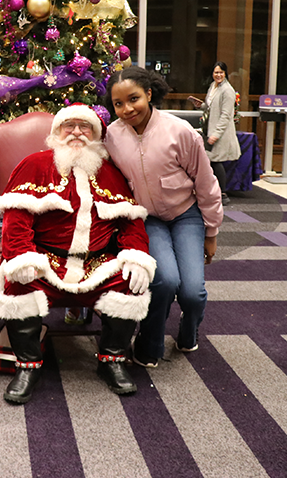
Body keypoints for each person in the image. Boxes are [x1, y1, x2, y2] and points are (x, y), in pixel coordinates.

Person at [0, 104, 157, 404]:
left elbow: (131, 223)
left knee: (129, 281)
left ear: (96, 135)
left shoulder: (110, 172)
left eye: (85, 127)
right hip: (46, 260)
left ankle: (112, 361)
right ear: (56, 132)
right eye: (69, 126)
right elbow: (16, 222)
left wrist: (136, 256)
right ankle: (27, 366)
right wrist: (22, 256)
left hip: (98, 262)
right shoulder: (34, 165)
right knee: (18, 282)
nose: (77, 133)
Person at [106, 67, 223, 369]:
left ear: (149, 94)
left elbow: (206, 183)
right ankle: (148, 344)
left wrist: (211, 232)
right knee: (165, 281)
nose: (127, 109)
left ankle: (189, 329)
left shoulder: (179, 131)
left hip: (186, 215)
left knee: (192, 292)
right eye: (118, 103)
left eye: (133, 99)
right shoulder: (113, 135)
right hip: (147, 219)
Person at [189, 61, 240, 205]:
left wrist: (216, 134)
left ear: (225, 73)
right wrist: (201, 105)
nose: (218, 75)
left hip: (220, 133)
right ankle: (213, 192)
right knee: (211, 161)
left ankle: (222, 194)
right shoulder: (213, 86)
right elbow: (211, 107)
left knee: (216, 161)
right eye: (216, 72)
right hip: (210, 130)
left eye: (221, 72)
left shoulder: (227, 90)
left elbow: (226, 115)